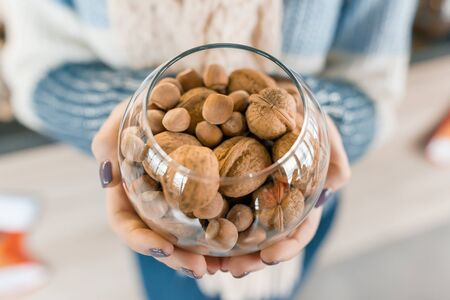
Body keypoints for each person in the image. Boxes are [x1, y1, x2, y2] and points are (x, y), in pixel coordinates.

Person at [1, 0, 418, 299]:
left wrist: (319, 124)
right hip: (162, 212)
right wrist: (134, 117)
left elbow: (372, 92)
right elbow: (39, 77)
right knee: (168, 285)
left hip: (297, 197)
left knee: (283, 284)